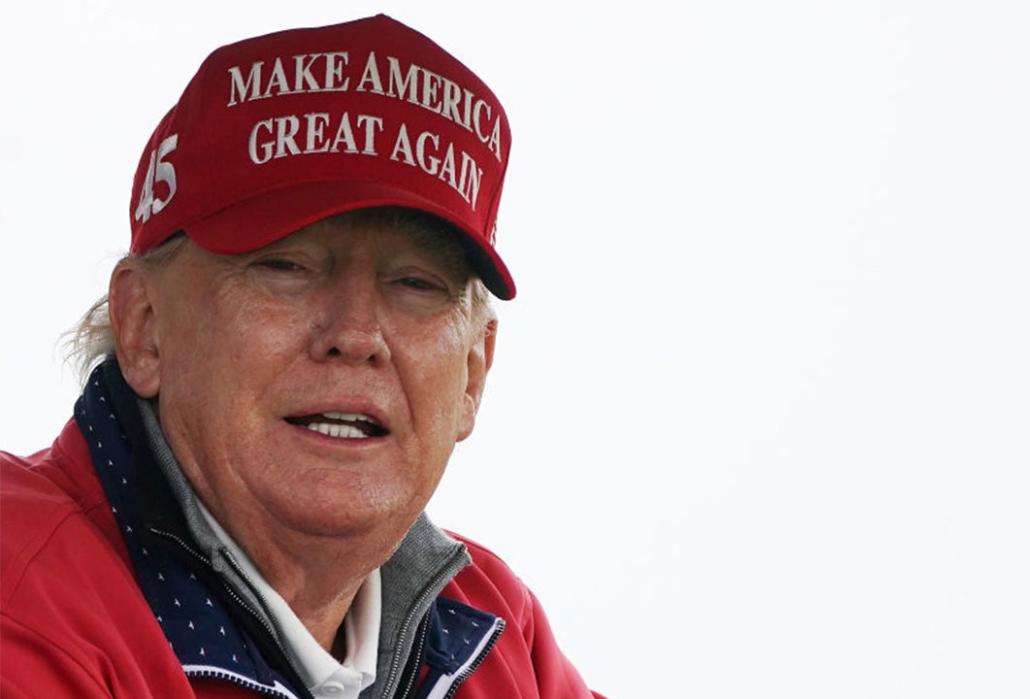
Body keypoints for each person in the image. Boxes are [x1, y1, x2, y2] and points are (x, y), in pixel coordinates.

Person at [0, 15, 602, 699]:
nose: (355, 333)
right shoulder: (20, 598)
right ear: (144, 325)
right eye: (285, 265)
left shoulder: (494, 633)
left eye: (415, 284)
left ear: (473, 374)